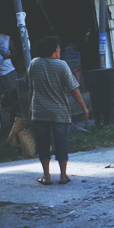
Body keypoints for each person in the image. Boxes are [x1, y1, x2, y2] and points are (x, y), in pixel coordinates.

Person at [28, 36, 89, 185]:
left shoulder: (34, 63)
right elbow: (74, 89)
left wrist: (30, 107)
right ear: (55, 49)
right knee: (60, 143)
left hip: (39, 111)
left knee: (43, 144)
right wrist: (84, 108)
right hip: (59, 113)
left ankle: (46, 176)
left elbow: (31, 86)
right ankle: (62, 176)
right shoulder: (61, 65)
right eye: (58, 48)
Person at [0, 31, 18, 126]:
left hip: (8, 71)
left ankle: (14, 120)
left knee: (14, 96)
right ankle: (2, 123)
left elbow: (15, 51)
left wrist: (5, 56)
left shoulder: (6, 38)